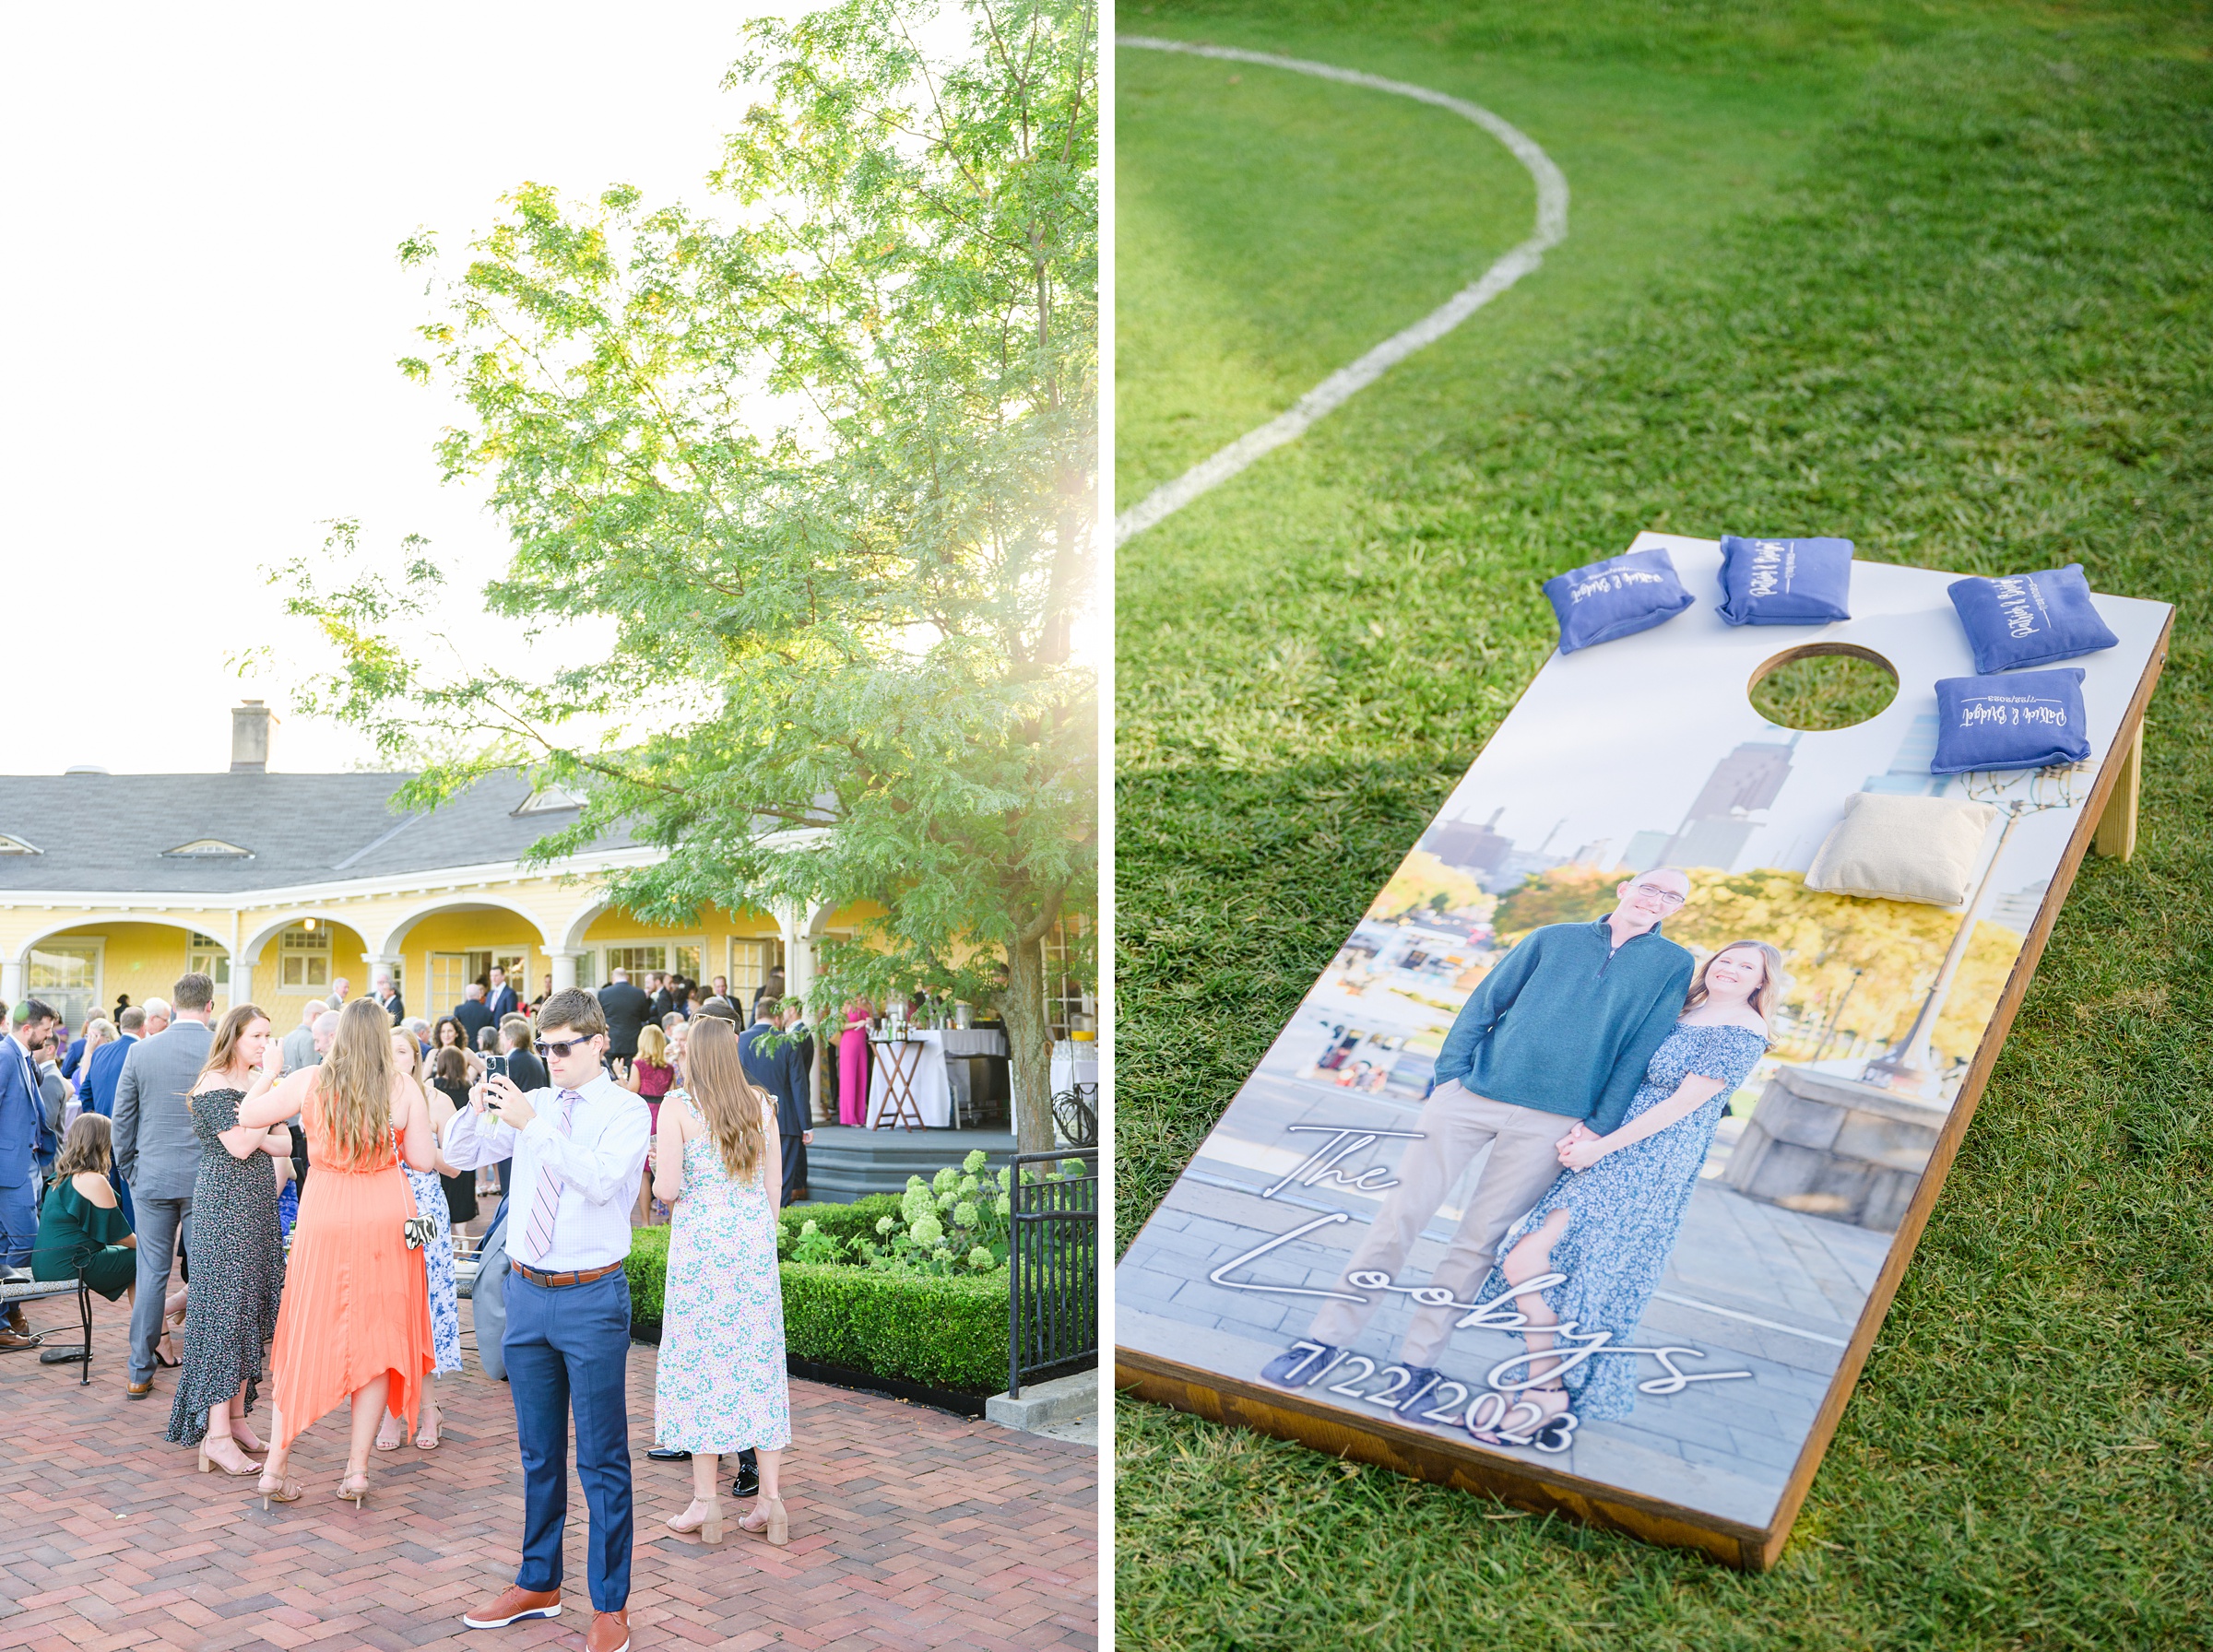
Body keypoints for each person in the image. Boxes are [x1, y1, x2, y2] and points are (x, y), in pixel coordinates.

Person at [1266, 868, 1698, 1394]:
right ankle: (1324, 1340)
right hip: (1470, 1099)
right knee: (1398, 1217)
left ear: (1676, 909)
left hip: (1556, 1120)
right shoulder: (1551, 938)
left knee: (1478, 1242)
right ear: (1624, 890)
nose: (1657, 900)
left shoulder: (1673, 964)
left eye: (1671, 896)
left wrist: (1599, 1126)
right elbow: (1485, 1005)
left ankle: (1417, 1365)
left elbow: (1641, 1049)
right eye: (1650, 888)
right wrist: (1449, 1079)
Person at [1472, 940, 1781, 1441]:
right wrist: (1590, 1131)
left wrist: (1603, 1147)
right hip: (1613, 1140)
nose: (1731, 968)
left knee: (1539, 1263)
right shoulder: (1687, 1009)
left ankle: (1546, 1390)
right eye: (1727, 958)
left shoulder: (1744, 1031)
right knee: (1551, 1266)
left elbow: (1681, 1105)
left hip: (1650, 1156)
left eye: (1747, 966)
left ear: (1762, 982)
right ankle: (1549, 1383)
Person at [444, 988, 649, 1651]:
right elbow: (461, 1156)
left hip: (592, 1297)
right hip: (527, 1292)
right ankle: (539, 1581)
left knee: (602, 1460)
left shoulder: (626, 1111)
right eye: (545, 1047)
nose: (553, 1058)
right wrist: (477, 1111)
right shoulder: (539, 1105)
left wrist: (532, 1124)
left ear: (599, 1045)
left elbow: (596, 1179)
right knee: (538, 1454)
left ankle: (610, 1606)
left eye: (564, 1047)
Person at [239, 997, 437, 1509]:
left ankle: (275, 1469)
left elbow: (248, 1114)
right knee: (375, 1340)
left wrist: (270, 1072)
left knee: (306, 1334)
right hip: (383, 1217)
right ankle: (355, 1472)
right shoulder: (403, 1086)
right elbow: (418, 1158)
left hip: (323, 1213)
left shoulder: (309, 1080)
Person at [651, 1014, 792, 1547]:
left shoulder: (678, 1107)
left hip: (701, 1251)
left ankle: (705, 1504)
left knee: (701, 1363)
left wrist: (663, 1166)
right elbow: (774, 1185)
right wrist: (759, 1231)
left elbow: (666, 1189)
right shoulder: (762, 1105)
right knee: (758, 1363)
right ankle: (771, 1503)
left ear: (694, 1057)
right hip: (752, 1245)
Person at [164, 1004, 290, 1473]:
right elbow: (239, 1146)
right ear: (233, 1036)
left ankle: (236, 1419)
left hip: (258, 1212)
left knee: (250, 1310)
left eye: (268, 1035)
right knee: (224, 1317)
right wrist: (265, 1092)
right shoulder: (215, 1084)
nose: (264, 1044)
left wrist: (254, 1123)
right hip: (225, 1217)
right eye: (257, 1036)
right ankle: (215, 1436)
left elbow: (285, 1145)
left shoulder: (249, 1088)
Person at [114, 974, 219, 1400]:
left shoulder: (141, 1051)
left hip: (152, 1177)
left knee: (152, 1273)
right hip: (206, 1179)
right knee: (209, 1274)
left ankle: (140, 1370)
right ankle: (207, 1370)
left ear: (175, 1006)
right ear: (210, 1006)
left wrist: (130, 1171)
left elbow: (123, 1119)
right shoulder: (220, 1050)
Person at [375, 1031, 463, 1451]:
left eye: (402, 1051)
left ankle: (429, 1409)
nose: (394, 1058)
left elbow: (457, 1166)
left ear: (416, 1057)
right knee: (390, 1308)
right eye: (387, 1050)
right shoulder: (370, 1096)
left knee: (424, 1307)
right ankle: (393, 1412)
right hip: (381, 1207)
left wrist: (418, 1148)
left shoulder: (436, 1099)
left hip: (425, 1209)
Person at [32, 1115, 173, 1317]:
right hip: (70, 1266)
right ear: (103, 1143)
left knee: (136, 1263)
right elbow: (120, 1237)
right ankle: (155, 1328)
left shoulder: (60, 1176)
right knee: (148, 1257)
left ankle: (149, 1324)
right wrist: (154, 1244)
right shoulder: (93, 1180)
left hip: (46, 1264)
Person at [0, 999, 59, 1343]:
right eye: (47, 1030)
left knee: (9, 1244)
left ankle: (7, 1317)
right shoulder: (6, 1056)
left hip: (26, 1166)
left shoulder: (22, 1057)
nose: (51, 1036)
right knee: (27, 1242)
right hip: (10, 1170)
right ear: (27, 1029)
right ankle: (8, 1313)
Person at [738, 999, 814, 1207]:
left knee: (751, 1175)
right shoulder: (788, 1041)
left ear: (755, 1015)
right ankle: (777, 1224)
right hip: (785, 1119)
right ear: (778, 1018)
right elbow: (799, 1085)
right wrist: (806, 1125)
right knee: (782, 1179)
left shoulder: (740, 1041)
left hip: (747, 1118)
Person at [624, 1024, 677, 1223]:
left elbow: (632, 1090)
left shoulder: (638, 1065)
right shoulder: (669, 1068)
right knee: (666, 1168)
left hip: (645, 1117)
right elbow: (672, 1093)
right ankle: (673, 1218)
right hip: (664, 1116)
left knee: (644, 1174)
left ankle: (645, 1222)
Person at [427, 1046, 479, 1233]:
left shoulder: (433, 1084)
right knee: (463, 1191)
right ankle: (463, 1234)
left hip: (441, 1146)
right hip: (462, 1143)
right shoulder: (468, 1086)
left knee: (446, 1189)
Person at [598, 968, 651, 1074]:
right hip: (632, 1042)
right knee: (631, 1075)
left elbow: (599, 1017)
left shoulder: (603, 993)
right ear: (627, 977)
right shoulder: (639, 993)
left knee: (610, 1075)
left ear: (613, 979)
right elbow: (645, 1017)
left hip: (611, 1041)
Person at [837, 997, 872, 1127]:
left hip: (862, 1042)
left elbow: (871, 1024)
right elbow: (840, 1025)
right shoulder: (846, 1004)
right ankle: (849, 1117)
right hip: (849, 1041)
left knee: (862, 1076)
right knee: (849, 1078)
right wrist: (858, 1023)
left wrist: (869, 1023)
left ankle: (860, 1116)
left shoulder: (867, 1005)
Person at [279, 999, 325, 1074]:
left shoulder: (287, 1037)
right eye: (325, 1017)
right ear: (315, 1016)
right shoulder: (312, 1039)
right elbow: (312, 1074)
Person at [455, 983, 496, 1047]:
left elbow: (455, 1029)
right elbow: (491, 1032)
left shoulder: (459, 1010)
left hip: (463, 1046)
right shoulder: (487, 1011)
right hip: (482, 1046)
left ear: (466, 995)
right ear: (479, 994)